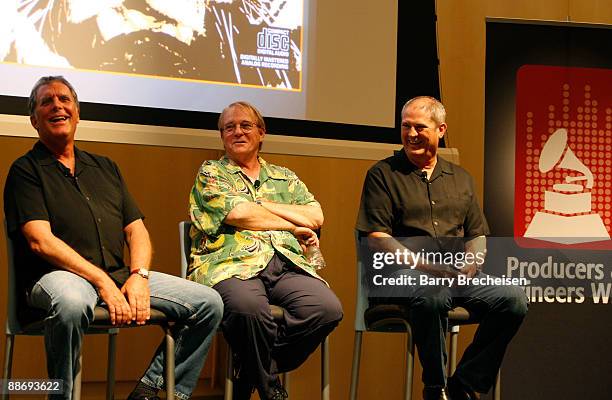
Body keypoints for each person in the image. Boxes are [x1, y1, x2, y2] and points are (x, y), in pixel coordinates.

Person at [3, 76, 224, 400]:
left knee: (208, 303)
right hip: (56, 278)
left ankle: (150, 391)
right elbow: (40, 241)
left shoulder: (105, 167)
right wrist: (102, 282)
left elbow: (136, 230)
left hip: (120, 276)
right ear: (34, 120)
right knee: (72, 302)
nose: (57, 106)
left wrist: (139, 276)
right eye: (46, 102)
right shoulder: (25, 170)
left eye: (64, 99)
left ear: (77, 113)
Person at [356, 96, 528, 400]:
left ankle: (464, 383)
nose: (410, 134)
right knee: (431, 293)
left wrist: (472, 261)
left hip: (452, 276)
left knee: (513, 298)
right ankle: (436, 388)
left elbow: (477, 233)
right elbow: (376, 237)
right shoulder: (382, 174)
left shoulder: (461, 179)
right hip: (401, 277)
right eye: (405, 126)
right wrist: (427, 267)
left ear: (441, 130)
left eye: (419, 127)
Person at [188, 101, 343, 400]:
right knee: (248, 309)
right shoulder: (211, 173)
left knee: (326, 309)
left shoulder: (285, 177)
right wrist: (289, 223)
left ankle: (251, 367)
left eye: (245, 125)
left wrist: (264, 204)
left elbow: (315, 216)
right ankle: (270, 387)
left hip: (286, 264)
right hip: (230, 264)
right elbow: (239, 214)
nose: (237, 132)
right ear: (222, 136)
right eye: (229, 127)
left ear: (261, 133)